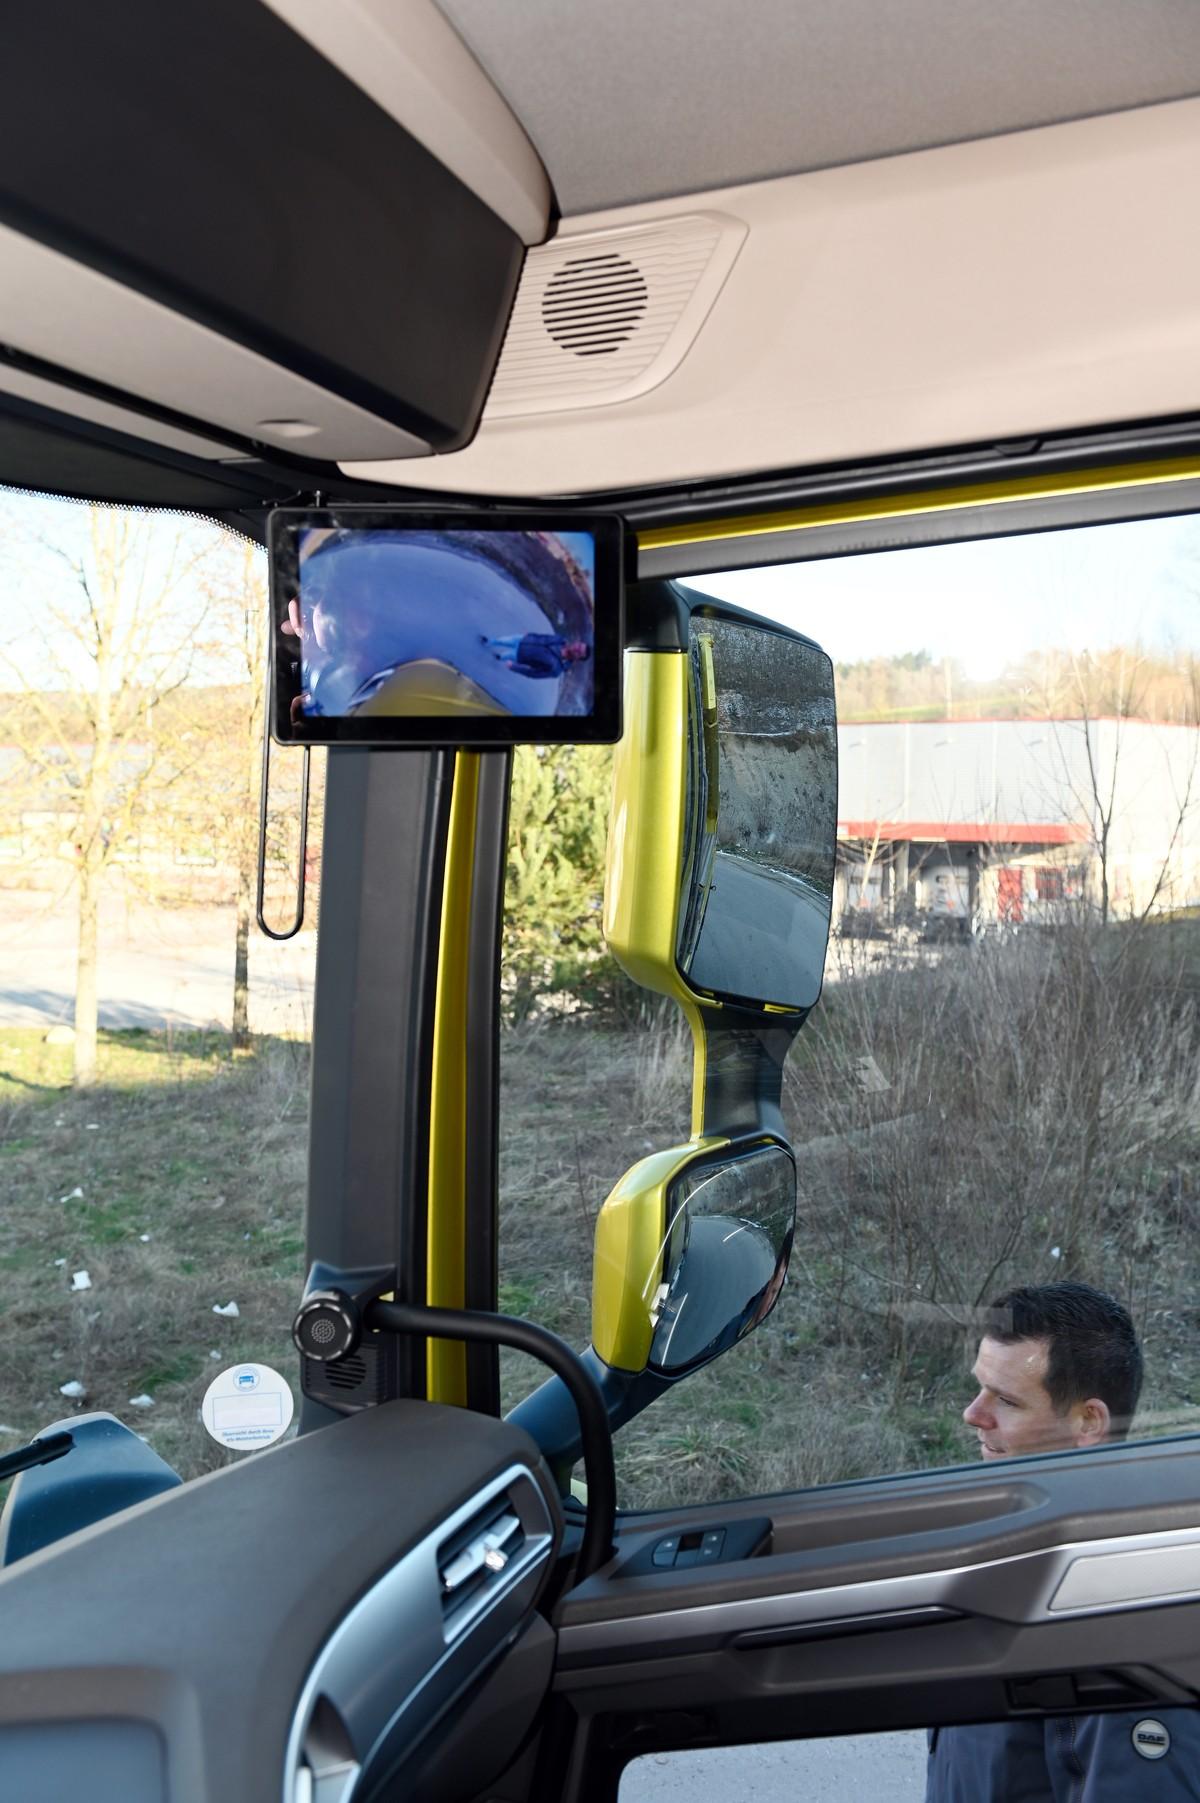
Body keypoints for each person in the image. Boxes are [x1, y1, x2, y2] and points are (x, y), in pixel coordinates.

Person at [927, 1282, 1200, 1800]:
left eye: (1005, 1400)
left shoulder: (1117, 1616)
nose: (973, 1414)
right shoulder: (1019, 1549)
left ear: (1088, 1422)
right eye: (980, 1388)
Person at [480, 631, 590, 678]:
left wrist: (514, 667)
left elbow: (533, 674)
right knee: (502, 640)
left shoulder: (556, 669)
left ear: (577, 659)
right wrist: (530, 634)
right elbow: (543, 637)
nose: (576, 648)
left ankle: (500, 657)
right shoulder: (560, 639)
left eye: (579, 652)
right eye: (579, 646)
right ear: (577, 642)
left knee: (506, 655)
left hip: (520, 655)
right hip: (523, 640)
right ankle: (489, 642)